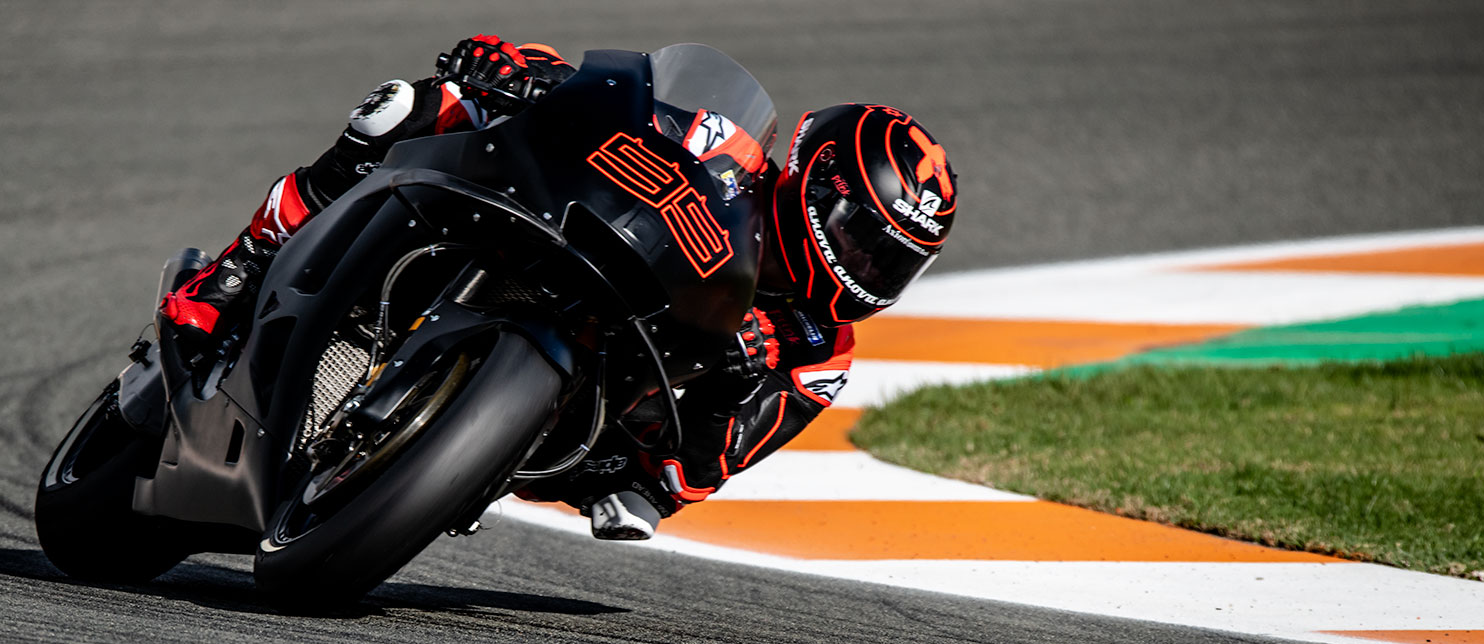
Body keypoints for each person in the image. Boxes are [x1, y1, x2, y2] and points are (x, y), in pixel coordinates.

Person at [159, 36, 958, 540]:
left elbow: (696, 472)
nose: (866, 267)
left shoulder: (819, 352)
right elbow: (611, 99)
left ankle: (406, 459)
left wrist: (726, 381)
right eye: (861, 237)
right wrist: (523, 72)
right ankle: (237, 266)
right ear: (813, 182)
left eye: (890, 262)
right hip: (556, 226)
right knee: (411, 107)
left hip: (590, 419)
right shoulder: (731, 143)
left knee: (635, 496)